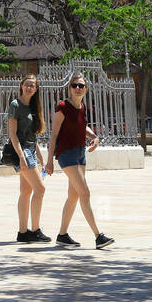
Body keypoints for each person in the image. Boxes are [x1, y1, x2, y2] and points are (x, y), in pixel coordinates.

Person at [46, 73, 114, 249]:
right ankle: (98, 236)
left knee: (74, 196)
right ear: (69, 88)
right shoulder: (62, 107)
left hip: (80, 153)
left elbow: (82, 126)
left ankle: (62, 235)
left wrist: (95, 137)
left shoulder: (82, 106)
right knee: (85, 193)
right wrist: (49, 161)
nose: (78, 88)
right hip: (66, 154)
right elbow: (53, 135)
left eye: (81, 86)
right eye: (75, 85)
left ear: (86, 89)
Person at [7, 75, 50, 244]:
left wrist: (42, 159)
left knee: (26, 192)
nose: (29, 88)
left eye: (33, 85)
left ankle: (23, 232)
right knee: (40, 189)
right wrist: (21, 156)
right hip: (22, 151)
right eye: (27, 85)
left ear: (36, 89)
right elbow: (12, 133)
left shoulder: (33, 106)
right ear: (21, 86)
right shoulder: (15, 105)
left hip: (31, 150)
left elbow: (33, 137)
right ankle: (35, 230)